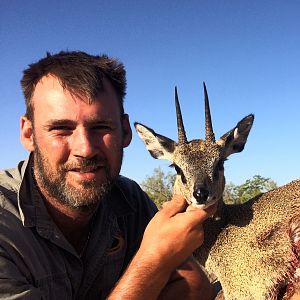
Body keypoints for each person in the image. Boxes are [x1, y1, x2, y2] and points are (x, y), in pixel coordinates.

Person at [0, 51, 214, 299]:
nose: (85, 149)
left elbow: (192, 286)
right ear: (29, 134)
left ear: (125, 132)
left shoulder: (129, 200)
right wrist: (154, 260)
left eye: (101, 127)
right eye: (61, 129)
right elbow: (159, 267)